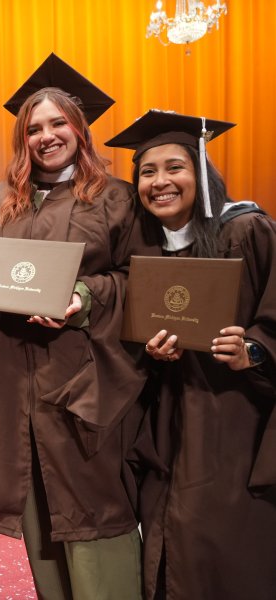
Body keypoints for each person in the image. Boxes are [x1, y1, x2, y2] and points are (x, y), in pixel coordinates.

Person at [0, 54, 149, 599]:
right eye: (33, 128)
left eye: (58, 123)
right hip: (12, 384)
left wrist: (84, 296)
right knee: (37, 508)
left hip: (84, 383)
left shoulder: (116, 198)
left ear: (80, 128)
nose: (46, 137)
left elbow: (139, 277)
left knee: (93, 511)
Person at [106, 110, 276, 599]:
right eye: (147, 172)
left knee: (227, 550)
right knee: (169, 546)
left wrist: (253, 350)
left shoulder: (245, 231)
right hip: (168, 425)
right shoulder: (146, 251)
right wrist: (151, 352)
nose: (160, 182)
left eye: (174, 167)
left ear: (201, 172)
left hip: (235, 424)